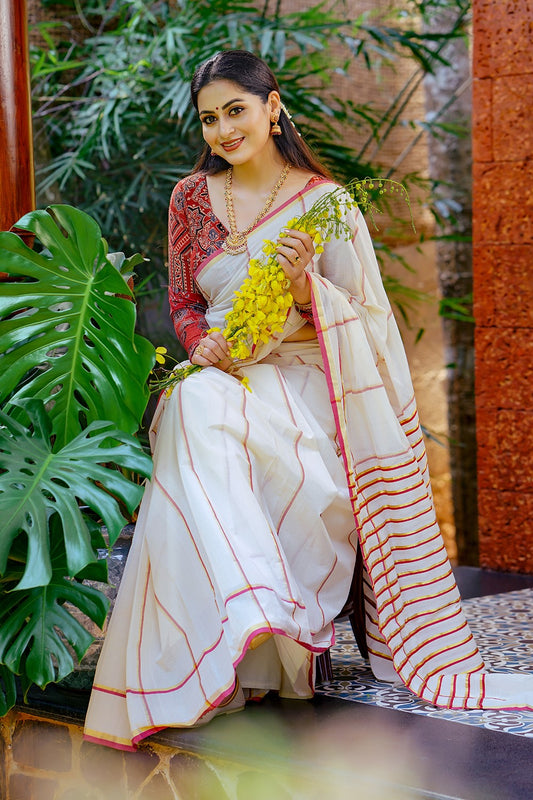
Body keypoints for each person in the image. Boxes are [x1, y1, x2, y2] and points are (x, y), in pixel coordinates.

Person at [84, 50, 533, 751]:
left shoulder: (326, 205)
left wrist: (301, 293)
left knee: (198, 413)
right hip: (224, 374)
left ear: (272, 105)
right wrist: (200, 342)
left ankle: (259, 631)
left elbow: (366, 318)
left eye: (236, 110)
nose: (223, 130)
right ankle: (245, 620)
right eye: (209, 119)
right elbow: (181, 299)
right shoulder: (189, 200)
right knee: (192, 405)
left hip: (307, 382)